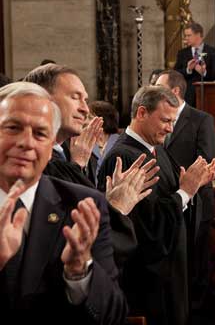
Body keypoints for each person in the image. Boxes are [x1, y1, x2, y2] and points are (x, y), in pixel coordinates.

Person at [0, 82, 127, 324]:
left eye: (40, 133)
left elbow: (113, 316)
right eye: (13, 128)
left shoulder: (82, 205)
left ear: (51, 149)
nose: (26, 142)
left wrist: (80, 272)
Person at [97, 85, 215, 325]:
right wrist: (185, 192)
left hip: (172, 273)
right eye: (165, 120)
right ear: (142, 113)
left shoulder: (157, 150)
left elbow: (173, 203)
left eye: (173, 121)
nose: (170, 128)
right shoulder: (124, 158)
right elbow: (146, 227)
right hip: (147, 281)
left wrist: (192, 188)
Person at [155, 69, 215, 315]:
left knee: (196, 266)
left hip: (197, 203)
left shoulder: (201, 119)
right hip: (170, 202)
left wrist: (187, 186)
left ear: (175, 91)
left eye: (159, 87)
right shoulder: (158, 120)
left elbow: (207, 159)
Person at [174, 22, 215, 107]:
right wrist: (188, 69)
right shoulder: (182, 53)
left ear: (198, 35)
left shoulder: (212, 52)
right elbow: (176, 74)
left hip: (207, 95)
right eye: (185, 36)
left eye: (189, 35)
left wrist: (204, 72)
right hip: (188, 97)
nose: (186, 38)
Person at [88, 100, 121, 181]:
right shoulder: (86, 141)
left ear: (104, 120)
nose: (85, 121)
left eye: (89, 118)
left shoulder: (121, 142)